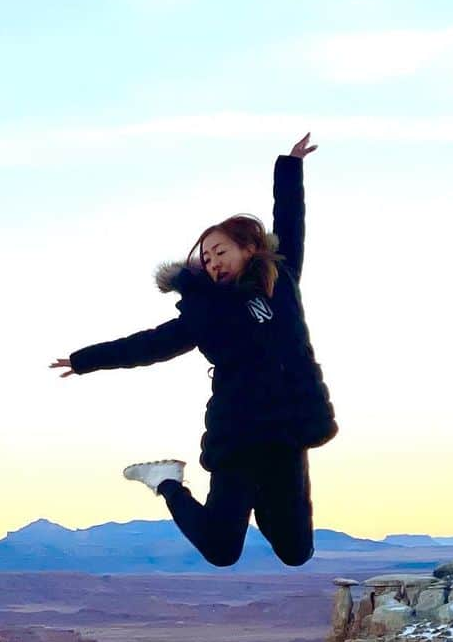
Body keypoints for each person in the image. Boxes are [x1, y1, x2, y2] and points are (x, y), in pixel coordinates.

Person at [50, 132, 337, 568]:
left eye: (219, 251)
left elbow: (290, 219)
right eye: (205, 259)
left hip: (287, 434)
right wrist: (86, 359)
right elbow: (149, 345)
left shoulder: (281, 280)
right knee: (222, 550)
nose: (213, 262)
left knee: (296, 552)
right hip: (238, 436)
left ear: (249, 247)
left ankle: (260, 499)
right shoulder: (205, 313)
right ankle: (166, 480)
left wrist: (290, 165)